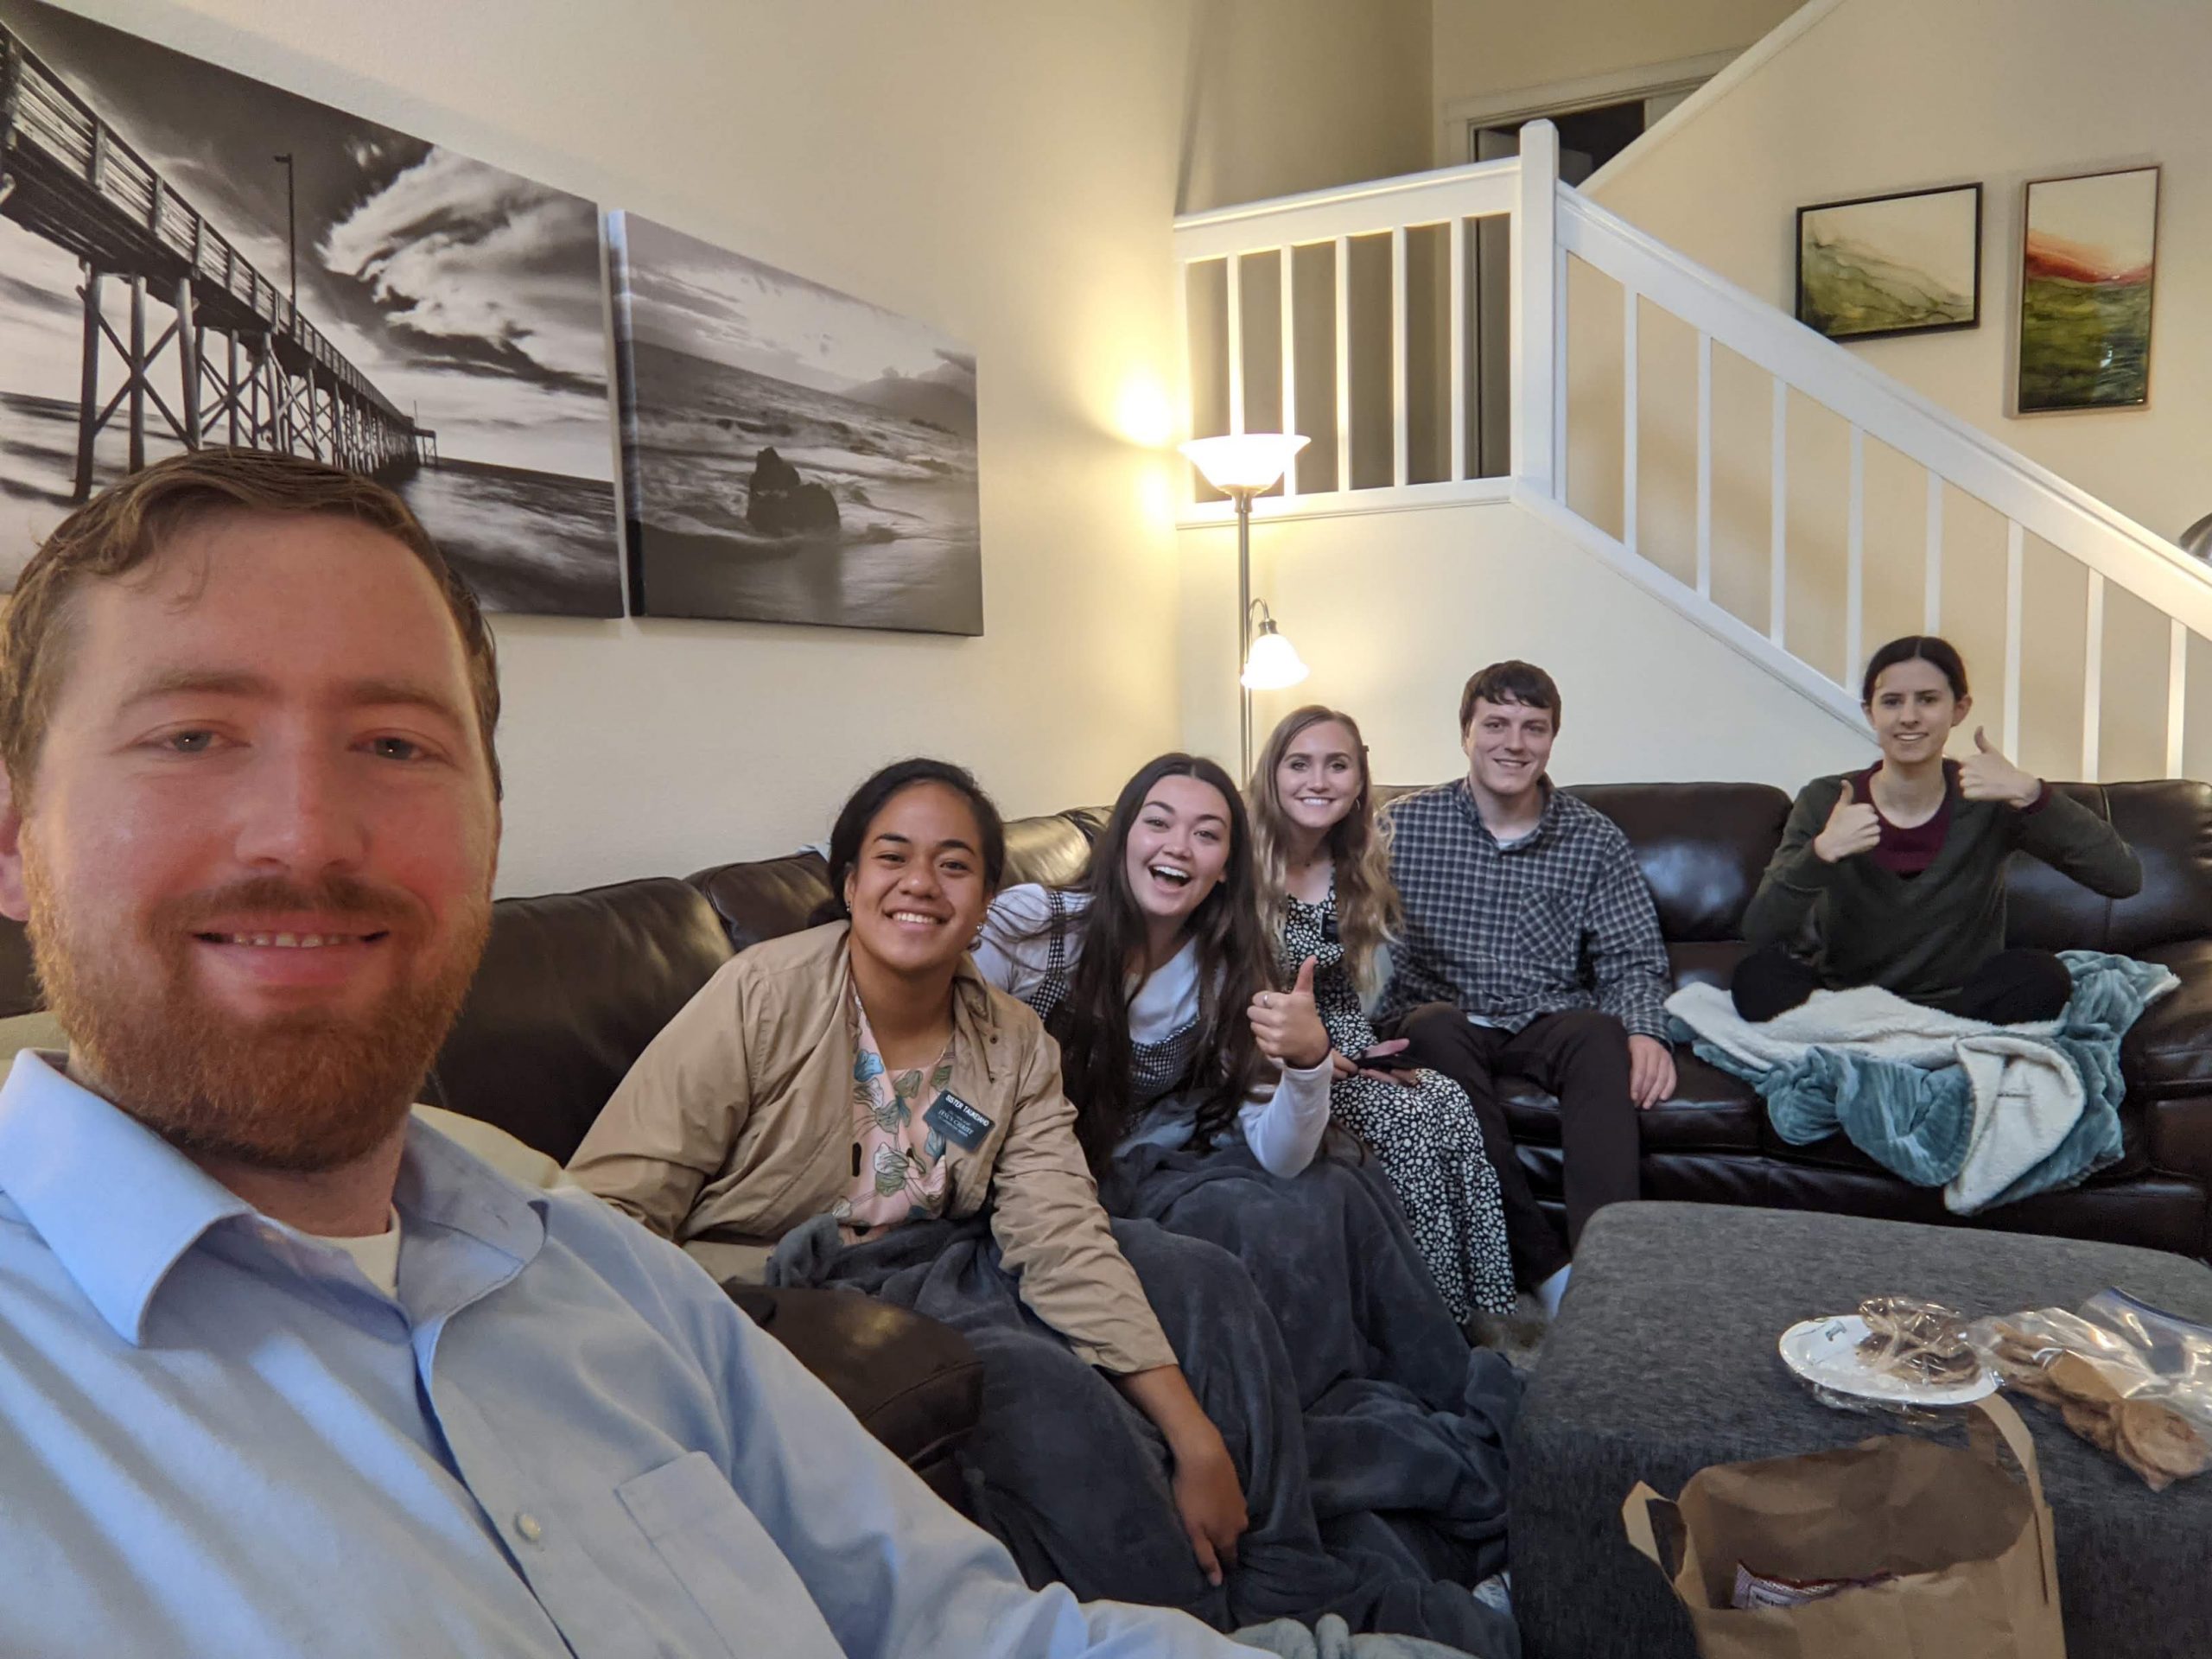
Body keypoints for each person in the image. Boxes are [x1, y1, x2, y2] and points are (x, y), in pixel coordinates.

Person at [0, 448, 1255, 1657]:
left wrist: (1303, 1084)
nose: (306, 835)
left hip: (1055, 1218)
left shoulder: (595, 1277)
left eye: (394, 745)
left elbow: (962, 1626)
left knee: (1239, 1247)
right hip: (916, 1249)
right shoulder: (942, 962)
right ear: (15, 836)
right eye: (191, 735)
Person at [569, 760, 1509, 1649]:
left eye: (954, 865)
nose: (920, 884)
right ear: (851, 880)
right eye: (893, 857)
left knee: (1205, 1280)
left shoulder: (1013, 1040)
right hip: (792, 1285)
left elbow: (1058, 1235)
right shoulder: (762, 994)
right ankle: (1190, 1624)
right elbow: (609, 1204)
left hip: (952, 1251)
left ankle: (1284, 1570)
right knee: (1037, 1384)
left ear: (985, 902)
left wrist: (1196, 1438)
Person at [972, 754, 1523, 1626]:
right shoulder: (1032, 926)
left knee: (1331, 1187)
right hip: (1040, 1177)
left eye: (1206, 833)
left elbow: (1281, 1151)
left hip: (1154, 1158)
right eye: (1158, 822)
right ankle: (1287, 1449)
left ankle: (1397, 1404)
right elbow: (942, 1042)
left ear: (1227, 865)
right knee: (1251, 1223)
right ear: (1122, 837)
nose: (1177, 846)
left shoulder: (1229, 964)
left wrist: (1307, 1062)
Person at [1379, 661, 1675, 1319]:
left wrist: (1645, 1030)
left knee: (1600, 1033)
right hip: (1442, 1017)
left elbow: (1631, 956)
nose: (1514, 743)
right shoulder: (1401, 827)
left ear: (1551, 739)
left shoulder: (1593, 837)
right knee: (1432, 1025)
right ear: (1465, 733)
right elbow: (1346, 928)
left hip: (1547, 1017)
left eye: (1533, 728)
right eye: (1496, 724)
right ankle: (1545, 1268)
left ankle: (1606, 1275)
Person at [1246, 705, 1515, 1324]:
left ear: (1360, 780)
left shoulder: (1357, 864)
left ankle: (1483, 1307)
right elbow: (1226, 991)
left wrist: (1373, 1050)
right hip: (1270, 1052)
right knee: (1404, 1120)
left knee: (1445, 1100)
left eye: (1337, 765)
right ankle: (1426, 1322)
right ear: (1272, 774)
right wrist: (1319, 1055)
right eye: (1299, 764)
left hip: (1348, 1039)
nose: (1319, 781)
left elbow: (1356, 994)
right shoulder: (1241, 864)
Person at [1733, 634, 2142, 1023]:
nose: (1908, 716)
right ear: (1870, 713)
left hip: (1963, 1001)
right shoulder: (1825, 799)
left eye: (1928, 700)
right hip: (1849, 999)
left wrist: (2032, 793)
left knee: (2043, 976)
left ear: (1959, 709)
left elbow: (2123, 878)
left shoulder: (1992, 797)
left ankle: (1917, 1037)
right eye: (1891, 701)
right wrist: (1822, 853)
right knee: (1756, 979)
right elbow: (1760, 930)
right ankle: (1893, 1036)